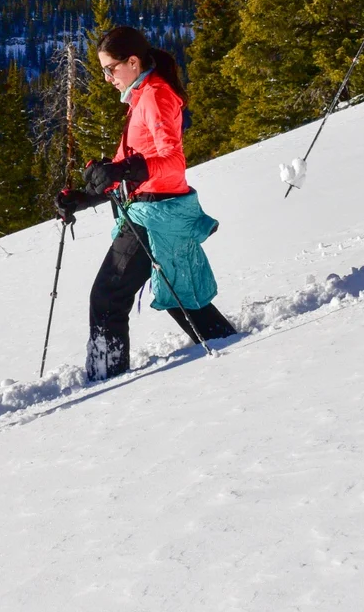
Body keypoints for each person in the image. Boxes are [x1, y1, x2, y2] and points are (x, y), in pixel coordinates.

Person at [56, 25, 236, 381]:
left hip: (155, 214)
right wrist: (85, 196)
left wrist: (125, 168)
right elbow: (133, 169)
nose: (107, 78)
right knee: (179, 294)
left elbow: (172, 160)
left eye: (111, 69)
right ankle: (231, 343)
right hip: (155, 209)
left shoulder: (155, 96)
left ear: (133, 62)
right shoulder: (142, 97)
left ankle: (106, 379)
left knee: (108, 297)